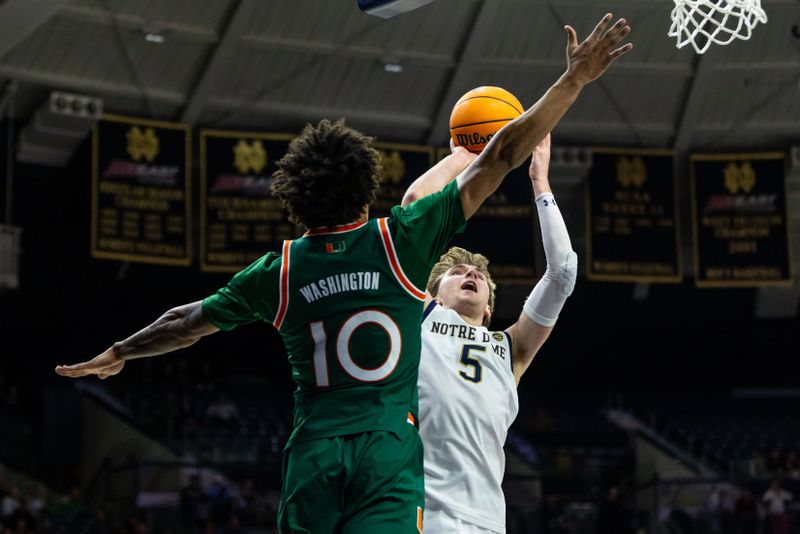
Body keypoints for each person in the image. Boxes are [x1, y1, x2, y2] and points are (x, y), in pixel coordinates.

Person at [55, 13, 632, 533]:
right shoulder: (396, 242)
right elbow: (502, 156)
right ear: (364, 193)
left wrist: (123, 350)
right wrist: (573, 82)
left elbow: (187, 322)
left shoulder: (279, 271)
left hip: (318, 449)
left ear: (297, 202)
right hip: (386, 450)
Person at [409, 131, 576, 533]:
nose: (470, 273)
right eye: (456, 272)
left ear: (489, 308)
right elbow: (414, 208)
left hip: (486, 519)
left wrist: (541, 182)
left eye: (479, 274)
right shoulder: (419, 316)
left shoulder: (511, 347)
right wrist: (463, 159)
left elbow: (563, 272)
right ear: (434, 293)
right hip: (421, 511)